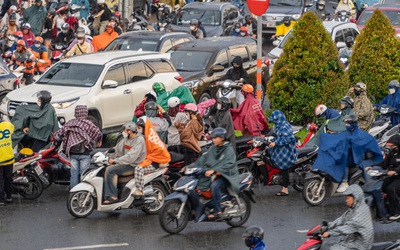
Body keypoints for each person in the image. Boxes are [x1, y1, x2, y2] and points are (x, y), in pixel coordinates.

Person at [193, 127, 239, 220]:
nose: (213, 140)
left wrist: (214, 170)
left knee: (215, 186)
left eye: (215, 138)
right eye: (212, 138)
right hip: (214, 175)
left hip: (226, 176)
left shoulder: (228, 150)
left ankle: (218, 211)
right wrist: (189, 167)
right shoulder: (213, 148)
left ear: (222, 138)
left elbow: (229, 164)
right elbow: (203, 159)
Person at [56, 105, 102, 188]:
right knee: (84, 174)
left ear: (76, 113)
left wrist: (62, 138)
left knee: (74, 175)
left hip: (73, 153)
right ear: (85, 113)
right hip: (85, 153)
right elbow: (98, 133)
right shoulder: (89, 124)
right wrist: (98, 141)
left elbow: (59, 134)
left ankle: (74, 192)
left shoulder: (70, 123)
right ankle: (83, 192)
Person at [103, 122, 146, 204]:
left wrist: (115, 160)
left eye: (125, 130)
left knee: (110, 170)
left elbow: (130, 156)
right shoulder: (126, 139)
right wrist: (105, 154)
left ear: (130, 131)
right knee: (106, 168)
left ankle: (113, 196)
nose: (124, 132)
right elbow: (117, 149)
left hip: (133, 165)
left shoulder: (139, 140)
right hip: (125, 163)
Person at [321, 184, 373, 250]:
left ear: (356, 197)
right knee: (326, 244)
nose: (346, 200)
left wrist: (330, 233)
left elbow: (347, 227)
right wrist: (328, 225)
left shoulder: (361, 211)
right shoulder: (355, 208)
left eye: (348, 198)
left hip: (359, 244)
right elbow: (342, 219)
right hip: (351, 239)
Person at [132, 117, 171, 196]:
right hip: (153, 160)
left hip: (155, 163)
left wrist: (143, 162)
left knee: (138, 169)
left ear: (144, 127)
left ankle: (140, 190)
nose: (138, 130)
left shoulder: (151, 139)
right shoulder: (148, 136)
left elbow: (151, 154)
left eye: (140, 128)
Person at [267, 110, 297, 196]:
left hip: (286, 151)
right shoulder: (278, 126)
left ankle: (285, 189)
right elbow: (277, 136)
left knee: (284, 167)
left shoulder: (284, 126)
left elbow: (287, 139)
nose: (274, 122)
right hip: (280, 149)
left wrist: (276, 143)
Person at [377, 134, 400, 221]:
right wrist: (373, 167)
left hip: (398, 175)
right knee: (383, 186)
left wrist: (395, 171)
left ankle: (397, 212)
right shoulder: (393, 152)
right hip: (394, 176)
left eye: (393, 145)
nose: (392, 147)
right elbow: (384, 163)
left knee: (392, 189)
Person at [0, 112, 14, 206]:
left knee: (0, 180)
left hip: (0, 160)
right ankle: (9, 197)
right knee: (8, 178)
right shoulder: (8, 125)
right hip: (9, 157)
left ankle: (1, 200)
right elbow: (13, 129)